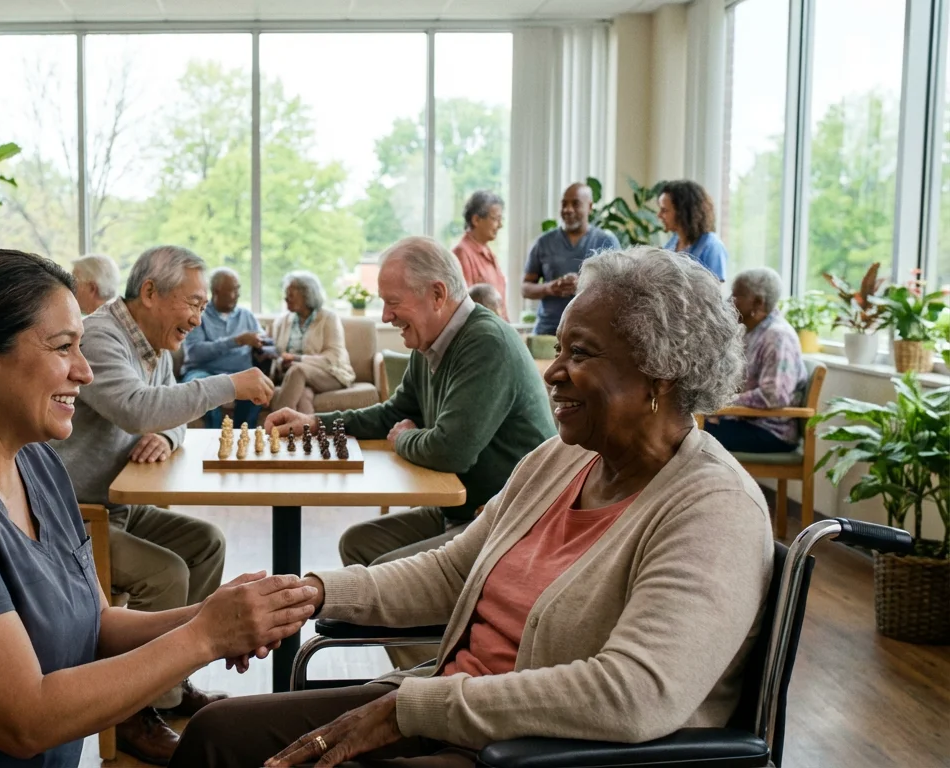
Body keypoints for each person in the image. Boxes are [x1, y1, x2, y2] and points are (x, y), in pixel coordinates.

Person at [176, 247, 775, 768]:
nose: (553, 373)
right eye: (560, 349)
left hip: (535, 753)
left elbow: (632, 693)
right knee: (216, 735)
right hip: (450, 712)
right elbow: (452, 569)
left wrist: (409, 710)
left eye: (582, 354)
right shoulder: (559, 461)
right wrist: (310, 593)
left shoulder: (713, 508)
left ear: (660, 376)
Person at [0, 249, 317, 767]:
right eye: (63, 348)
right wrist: (206, 636)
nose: (86, 371)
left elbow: (96, 625)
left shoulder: (36, 461)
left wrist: (206, 615)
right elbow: (24, 718)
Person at [267, 237, 555, 666]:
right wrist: (315, 425)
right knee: (360, 544)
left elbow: (450, 451)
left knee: (384, 569)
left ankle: (436, 686)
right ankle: (417, 674)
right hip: (463, 511)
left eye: (393, 302)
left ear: (438, 294)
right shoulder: (431, 344)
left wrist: (403, 439)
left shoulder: (485, 343)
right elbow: (395, 413)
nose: (385, 316)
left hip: (510, 524)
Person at [50, 244, 275, 763]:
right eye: (192, 304)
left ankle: (169, 689)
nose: (198, 319)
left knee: (206, 544)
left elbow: (168, 413)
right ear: (149, 292)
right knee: (167, 572)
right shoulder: (102, 336)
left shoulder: (157, 347)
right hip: (74, 515)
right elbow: (135, 407)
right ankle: (132, 711)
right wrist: (229, 385)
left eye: (201, 307)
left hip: (117, 503)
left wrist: (169, 438)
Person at [704, 267, 805, 453]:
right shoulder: (754, 331)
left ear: (758, 302)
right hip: (743, 421)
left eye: (736, 296)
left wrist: (724, 402)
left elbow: (774, 395)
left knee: (688, 436)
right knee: (687, 427)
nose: (729, 302)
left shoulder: (777, 336)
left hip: (771, 432)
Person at [522, 182, 620, 336]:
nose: (568, 209)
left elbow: (619, 289)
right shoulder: (544, 242)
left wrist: (584, 285)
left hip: (591, 331)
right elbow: (525, 288)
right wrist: (550, 288)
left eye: (575, 204)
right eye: (564, 204)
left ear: (589, 207)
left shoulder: (606, 241)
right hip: (548, 331)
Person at [182, 267, 267, 429]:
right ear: (216, 291)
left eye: (238, 289)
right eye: (232, 290)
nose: (238, 294)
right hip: (204, 371)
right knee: (204, 386)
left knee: (256, 386)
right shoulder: (200, 315)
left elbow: (264, 342)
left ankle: (242, 441)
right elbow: (194, 353)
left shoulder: (246, 316)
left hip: (240, 373)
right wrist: (236, 341)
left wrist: (263, 347)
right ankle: (214, 442)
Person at [268, 271, 356, 414]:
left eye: (291, 295)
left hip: (330, 374)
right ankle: (307, 434)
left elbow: (333, 356)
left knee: (298, 369)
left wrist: (297, 359)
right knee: (303, 395)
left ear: (307, 295)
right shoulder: (282, 321)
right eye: (286, 294)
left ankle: (276, 426)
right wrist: (280, 361)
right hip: (296, 378)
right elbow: (277, 354)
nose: (286, 298)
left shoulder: (328, 318)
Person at [451, 190, 510, 320]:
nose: (500, 225)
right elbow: (465, 304)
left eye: (501, 219)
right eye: (496, 219)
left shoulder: (489, 253)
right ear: (476, 219)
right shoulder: (462, 253)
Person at [659, 180, 728, 281]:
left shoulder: (712, 246)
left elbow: (714, 293)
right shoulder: (673, 241)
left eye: (664, 210)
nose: (659, 215)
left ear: (682, 212)